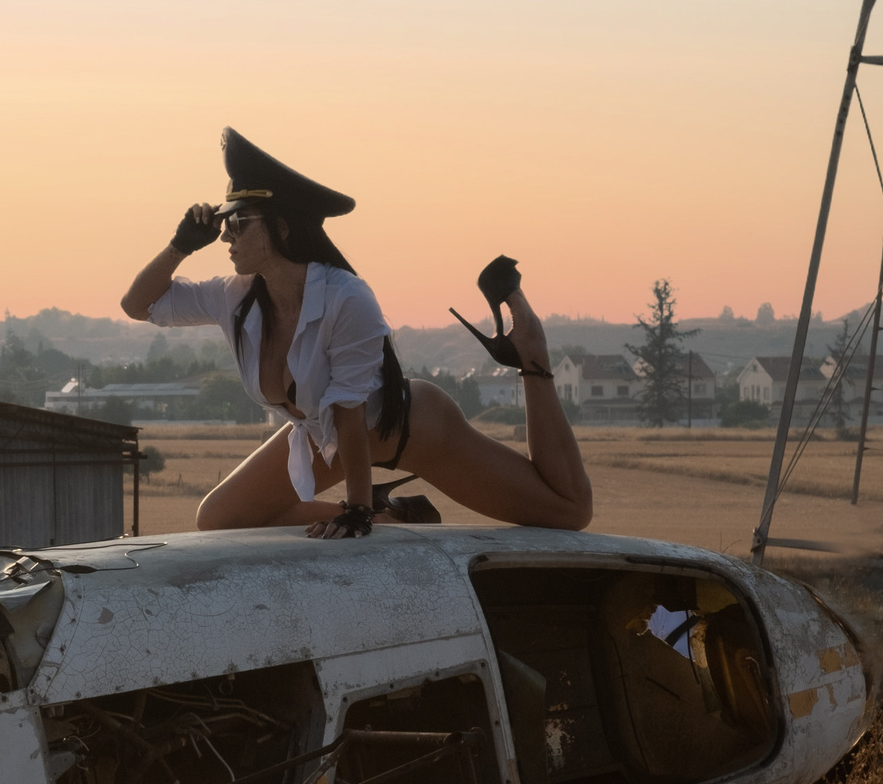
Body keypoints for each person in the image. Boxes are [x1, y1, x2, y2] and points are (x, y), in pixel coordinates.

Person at [118, 129, 593, 536]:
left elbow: (349, 410)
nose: (226, 236)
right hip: (322, 437)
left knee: (568, 513)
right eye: (226, 224)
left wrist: (356, 509)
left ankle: (532, 352)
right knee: (219, 518)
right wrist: (180, 245)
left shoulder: (347, 297)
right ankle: (396, 519)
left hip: (408, 429)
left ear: (281, 227)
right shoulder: (234, 297)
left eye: (238, 223)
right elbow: (137, 305)